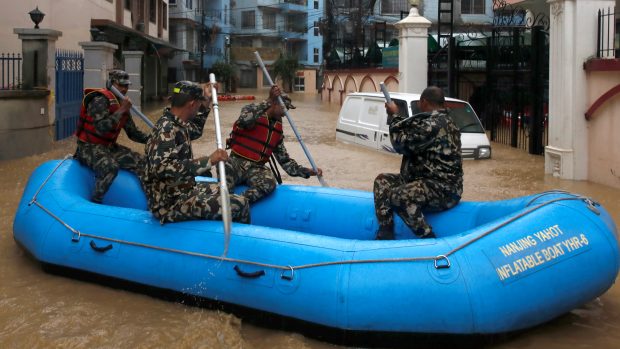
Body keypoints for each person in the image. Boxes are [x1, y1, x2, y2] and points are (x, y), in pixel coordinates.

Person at [141, 81, 250, 224]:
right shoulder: (165, 129)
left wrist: (206, 102)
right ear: (192, 104)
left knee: (224, 190)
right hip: (169, 204)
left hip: (184, 190)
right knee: (240, 203)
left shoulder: (178, 123)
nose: (199, 107)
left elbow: (196, 130)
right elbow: (164, 169)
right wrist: (209, 160)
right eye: (199, 104)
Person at [373, 86, 463, 240]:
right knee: (382, 181)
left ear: (424, 102)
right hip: (425, 180)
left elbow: (400, 144)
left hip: (443, 189)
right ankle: (386, 230)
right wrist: (396, 116)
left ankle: (428, 238)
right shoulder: (441, 121)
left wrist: (394, 115)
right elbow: (413, 131)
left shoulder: (434, 124)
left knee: (398, 196)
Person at [223, 85, 322, 204]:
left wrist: (307, 171)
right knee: (224, 166)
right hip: (236, 163)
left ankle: (239, 202)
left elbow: (285, 161)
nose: (285, 114)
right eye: (284, 109)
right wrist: (269, 100)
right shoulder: (253, 110)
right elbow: (244, 120)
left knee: (270, 182)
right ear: (275, 103)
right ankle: (223, 201)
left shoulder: (277, 131)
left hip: (255, 168)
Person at [74, 69, 149, 204]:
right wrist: (121, 110)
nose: (124, 89)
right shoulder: (99, 100)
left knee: (143, 162)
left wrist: (155, 139)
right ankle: (95, 202)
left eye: (126, 86)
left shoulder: (121, 104)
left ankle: (148, 200)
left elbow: (133, 133)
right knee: (110, 167)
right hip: (88, 147)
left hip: (109, 147)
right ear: (111, 84)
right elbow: (100, 128)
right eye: (121, 85)